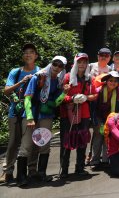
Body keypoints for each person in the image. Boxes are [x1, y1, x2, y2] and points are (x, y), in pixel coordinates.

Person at [22, 55, 67, 183]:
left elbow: (57, 102)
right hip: (33, 114)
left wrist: (64, 93)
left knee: (44, 144)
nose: (57, 67)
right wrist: (30, 117)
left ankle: (41, 173)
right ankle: (22, 176)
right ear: (51, 63)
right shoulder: (39, 76)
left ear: (63, 68)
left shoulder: (58, 81)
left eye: (60, 66)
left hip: (46, 115)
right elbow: (27, 98)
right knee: (27, 145)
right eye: (55, 64)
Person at [2, 43, 40, 185]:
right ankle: (8, 171)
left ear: (36, 56)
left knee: (30, 142)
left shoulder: (40, 71)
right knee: (13, 142)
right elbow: (6, 91)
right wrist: (21, 82)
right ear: (23, 56)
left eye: (31, 52)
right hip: (15, 111)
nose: (28, 54)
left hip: (32, 112)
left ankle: (31, 170)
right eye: (25, 52)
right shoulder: (15, 72)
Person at [59, 53, 97, 178]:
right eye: (79, 62)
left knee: (82, 140)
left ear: (87, 64)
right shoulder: (67, 77)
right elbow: (61, 97)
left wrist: (85, 97)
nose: (82, 64)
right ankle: (64, 170)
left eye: (84, 62)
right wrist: (72, 98)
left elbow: (94, 95)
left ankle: (79, 167)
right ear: (75, 63)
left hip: (84, 113)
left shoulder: (89, 78)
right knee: (67, 140)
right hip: (68, 113)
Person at [90, 70, 119, 168]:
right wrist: (94, 120)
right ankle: (95, 160)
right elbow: (94, 107)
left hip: (111, 118)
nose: (113, 83)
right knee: (98, 137)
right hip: (99, 117)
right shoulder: (99, 90)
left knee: (108, 137)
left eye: (115, 81)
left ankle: (106, 159)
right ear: (106, 81)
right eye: (111, 80)